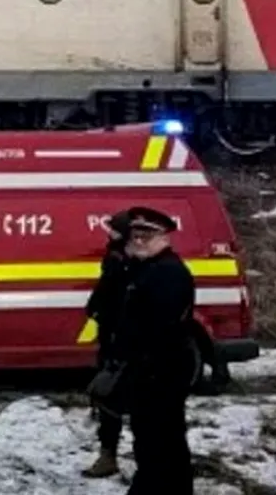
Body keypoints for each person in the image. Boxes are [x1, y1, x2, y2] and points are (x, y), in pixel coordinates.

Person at [110, 207, 196, 495]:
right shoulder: (144, 268)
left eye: (148, 235)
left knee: (162, 439)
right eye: (135, 234)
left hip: (161, 370)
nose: (139, 240)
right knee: (150, 439)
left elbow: (158, 325)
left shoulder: (168, 272)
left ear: (165, 237)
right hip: (146, 370)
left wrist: (140, 359)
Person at [81, 209, 133, 479]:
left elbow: (118, 299)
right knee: (108, 398)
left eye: (112, 229)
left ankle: (110, 456)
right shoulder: (116, 257)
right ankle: (108, 454)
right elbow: (105, 291)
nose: (107, 232)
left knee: (112, 399)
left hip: (121, 342)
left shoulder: (126, 262)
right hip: (112, 338)